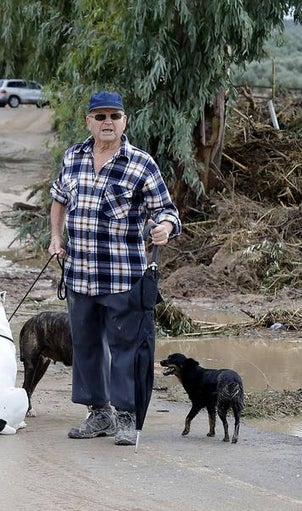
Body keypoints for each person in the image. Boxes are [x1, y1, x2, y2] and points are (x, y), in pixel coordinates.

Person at [48, 90, 181, 446]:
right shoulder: (72, 157)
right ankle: (99, 414)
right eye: (100, 116)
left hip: (124, 276)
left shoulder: (141, 163)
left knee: (126, 348)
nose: (108, 122)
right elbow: (59, 199)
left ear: (125, 121)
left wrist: (164, 228)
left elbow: (167, 210)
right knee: (86, 346)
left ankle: (126, 416)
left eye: (114, 116)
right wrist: (56, 238)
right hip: (79, 274)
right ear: (88, 121)